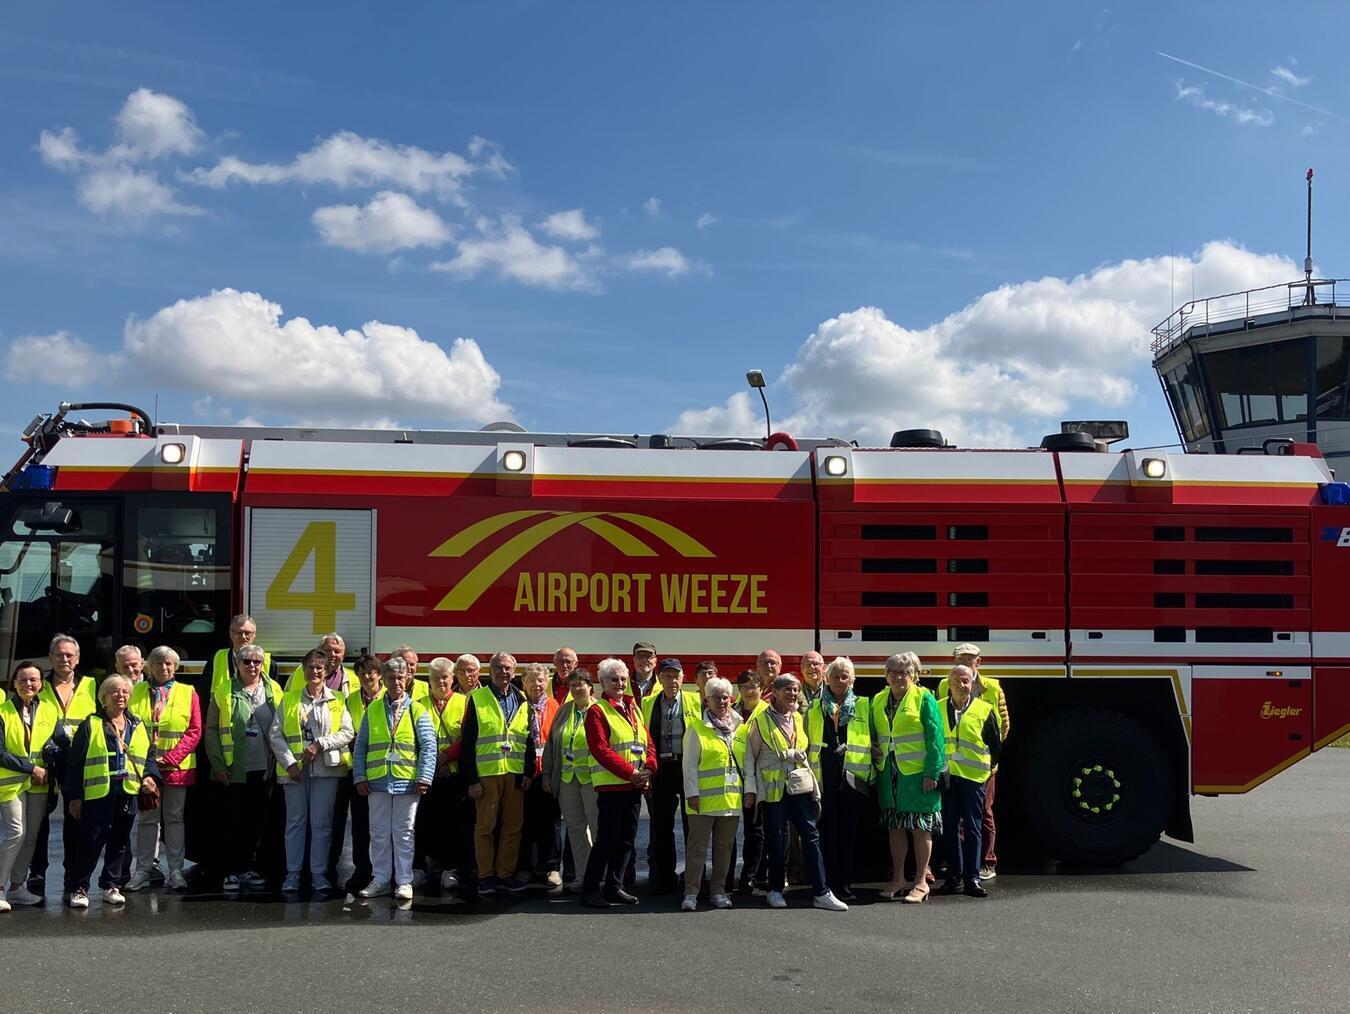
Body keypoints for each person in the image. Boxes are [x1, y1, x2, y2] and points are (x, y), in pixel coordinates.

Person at [745, 674, 848, 912]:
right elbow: (750, 758)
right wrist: (751, 790)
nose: (792, 694)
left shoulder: (799, 718)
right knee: (778, 839)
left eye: (796, 690)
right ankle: (775, 889)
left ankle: (822, 891)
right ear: (776, 692)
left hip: (799, 785)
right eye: (788, 690)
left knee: (811, 836)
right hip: (774, 788)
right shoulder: (760, 721)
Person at [63, 675, 162, 909]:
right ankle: (79, 887)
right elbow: (75, 763)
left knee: (119, 842)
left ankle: (111, 884)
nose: (120, 696)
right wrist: (74, 796)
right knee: (91, 841)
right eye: (114, 692)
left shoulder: (137, 724)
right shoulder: (92, 723)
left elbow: (148, 758)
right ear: (104, 697)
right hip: (98, 793)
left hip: (127, 792)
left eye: (125, 692)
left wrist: (149, 777)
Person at [269, 647, 354, 894]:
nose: (315, 671)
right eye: (310, 666)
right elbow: (275, 734)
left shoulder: (338, 699)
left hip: (327, 770)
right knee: (295, 823)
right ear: (303, 670)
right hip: (295, 772)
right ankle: (293, 874)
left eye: (320, 667)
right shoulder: (290, 699)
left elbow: (347, 733)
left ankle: (319, 874)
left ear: (327, 672)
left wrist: (321, 743)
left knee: (321, 824)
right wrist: (290, 763)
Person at [354, 659, 435, 901]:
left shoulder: (417, 709)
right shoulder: (374, 709)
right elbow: (361, 746)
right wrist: (360, 776)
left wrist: (424, 777)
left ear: (408, 679)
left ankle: (404, 881)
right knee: (378, 831)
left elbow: (429, 746)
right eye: (391, 678)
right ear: (384, 679)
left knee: (404, 832)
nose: (396, 682)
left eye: (400, 677)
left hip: (407, 781)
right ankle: (380, 879)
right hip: (377, 780)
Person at [204, 642, 281, 891]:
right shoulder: (224, 690)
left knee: (257, 822)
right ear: (237, 664)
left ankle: (249, 867)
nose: (252, 666)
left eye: (256, 662)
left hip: (265, 767)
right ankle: (231, 872)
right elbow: (212, 729)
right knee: (232, 822)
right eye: (246, 661)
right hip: (234, 768)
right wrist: (218, 765)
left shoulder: (274, 689)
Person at [580, 658, 654, 909]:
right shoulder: (597, 711)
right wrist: (632, 772)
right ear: (602, 683)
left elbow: (647, 741)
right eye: (614, 679)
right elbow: (600, 750)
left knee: (627, 840)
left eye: (623, 679)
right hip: (612, 786)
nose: (620, 683)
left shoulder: (633, 707)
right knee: (606, 840)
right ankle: (590, 890)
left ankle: (614, 886)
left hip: (634, 785)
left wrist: (650, 768)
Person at [126, 646, 201, 892]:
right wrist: (145, 764)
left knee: (174, 818)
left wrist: (171, 758)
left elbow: (194, 730)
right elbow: (127, 726)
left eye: (169, 663)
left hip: (176, 767)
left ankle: (176, 871)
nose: (164, 667)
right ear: (150, 666)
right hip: (145, 769)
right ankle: (143, 870)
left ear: (175, 667)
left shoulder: (188, 692)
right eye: (158, 663)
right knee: (148, 818)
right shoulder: (135, 691)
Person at [872, 651, 944, 903]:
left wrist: (932, 772)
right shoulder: (878, 699)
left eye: (904, 672)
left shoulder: (925, 699)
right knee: (895, 826)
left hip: (917, 773)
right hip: (888, 772)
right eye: (893, 672)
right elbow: (874, 732)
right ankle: (899, 879)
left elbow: (936, 739)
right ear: (886, 676)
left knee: (920, 827)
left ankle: (921, 881)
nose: (899, 677)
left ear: (914, 674)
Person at [31, 634, 98, 900]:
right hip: (46, 763)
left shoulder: (92, 684)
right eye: (59, 654)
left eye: (70, 655)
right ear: (50, 657)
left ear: (78, 658)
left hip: (79, 763)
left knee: (75, 821)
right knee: (40, 822)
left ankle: (73, 877)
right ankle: (37, 873)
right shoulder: (39, 685)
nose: (65, 659)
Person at [936, 643, 1009, 881]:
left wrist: (989, 762)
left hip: (980, 765)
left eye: (971, 658)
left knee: (982, 814)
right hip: (953, 767)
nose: (966, 662)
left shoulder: (993, 687)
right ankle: (957, 863)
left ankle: (986, 862)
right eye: (961, 658)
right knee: (952, 817)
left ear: (980, 661)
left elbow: (1002, 724)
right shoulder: (944, 685)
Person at [459, 651, 529, 897]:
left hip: (514, 774)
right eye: (498, 667)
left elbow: (527, 740)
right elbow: (467, 742)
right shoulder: (477, 698)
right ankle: (485, 876)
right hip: (487, 775)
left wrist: (527, 772)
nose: (503, 672)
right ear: (490, 670)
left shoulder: (522, 699)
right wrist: (472, 780)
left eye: (508, 668)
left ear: (514, 671)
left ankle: (504, 874)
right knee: (485, 828)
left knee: (513, 827)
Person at [805, 656, 872, 903]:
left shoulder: (865, 705)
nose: (840, 680)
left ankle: (844, 883)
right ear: (826, 678)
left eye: (845, 676)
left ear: (852, 680)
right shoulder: (814, 707)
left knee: (848, 834)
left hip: (854, 779)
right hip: (824, 778)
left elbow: (876, 735)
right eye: (835, 676)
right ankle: (826, 883)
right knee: (825, 833)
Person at [0, 662, 65, 910]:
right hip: (11, 784)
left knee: (31, 837)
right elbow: (0, 752)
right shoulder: (3, 712)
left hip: (39, 783)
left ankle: (17, 887)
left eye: (34, 680)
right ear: (14, 683)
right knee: (16, 832)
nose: (29, 684)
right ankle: (0, 887)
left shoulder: (49, 711)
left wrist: (54, 761)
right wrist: (31, 768)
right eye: (23, 680)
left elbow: (60, 742)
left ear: (41, 684)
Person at [680, 676, 742, 912]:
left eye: (725, 697)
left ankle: (718, 890)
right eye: (716, 697)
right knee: (697, 849)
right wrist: (692, 794)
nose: (722, 701)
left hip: (730, 800)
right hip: (702, 801)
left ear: (731, 699)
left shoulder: (740, 726)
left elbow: (744, 763)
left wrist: (750, 792)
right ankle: (691, 893)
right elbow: (689, 766)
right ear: (707, 701)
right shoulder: (697, 728)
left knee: (724, 849)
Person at [641, 658, 700, 894]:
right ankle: (663, 878)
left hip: (686, 767)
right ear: (659, 678)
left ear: (683, 678)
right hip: (661, 770)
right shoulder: (648, 703)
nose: (672, 680)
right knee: (661, 826)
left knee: (692, 825)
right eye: (666, 675)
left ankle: (693, 877)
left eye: (676, 675)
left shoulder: (695, 701)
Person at [542, 668, 598, 894]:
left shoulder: (599, 710)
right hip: (567, 778)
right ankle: (583, 876)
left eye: (580, 685)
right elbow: (551, 745)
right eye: (572, 685)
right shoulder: (564, 710)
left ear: (590, 686)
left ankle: (600, 877)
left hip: (593, 779)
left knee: (597, 828)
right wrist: (547, 773)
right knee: (575, 829)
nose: (576, 689)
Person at [416, 656, 469, 893]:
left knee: (454, 825)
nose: (441, 682)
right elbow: (413, 739)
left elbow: (466, 737)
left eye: (445, 677)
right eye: (436, 678)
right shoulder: (418, 704)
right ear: (429, 680)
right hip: (427, 775)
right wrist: (434, 763)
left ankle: (451, 870)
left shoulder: (464, 702)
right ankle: (423, 868)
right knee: (424, 824)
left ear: (452, 678)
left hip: (453, 773)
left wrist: (446, 757)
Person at [516, 663, 561, 887]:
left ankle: (551, 866)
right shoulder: (517, 707)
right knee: (523, 821)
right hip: (525, 773)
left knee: (551, 822)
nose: (536, 685)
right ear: (523, 684)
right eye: (531, 681)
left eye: (541, 680)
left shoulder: (556, 706)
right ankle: (523, 866)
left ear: (547, 683)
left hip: (548, 772)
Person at [343, 654, 384, 896]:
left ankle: (381, 872)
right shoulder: (349, 701)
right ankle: (361, 870)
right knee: (359, 826)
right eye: (362, 673)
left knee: (381, 826)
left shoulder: (389, 699)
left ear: (379, 675)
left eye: (371, 672)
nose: (367, 677)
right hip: (357, 769)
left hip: (381, 770)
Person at [730, 668, 768, 894]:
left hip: (760, 777)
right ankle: (729, 874)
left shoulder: (767, 712)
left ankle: (751, 875)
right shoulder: (733, 711)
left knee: (755, 829)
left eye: (753, 686)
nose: (749, 691)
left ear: (761, 689)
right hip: (736, 776)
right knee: (733, 828)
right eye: (744, 687)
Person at [204, 615, 277, 699]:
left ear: (254, 635)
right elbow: (204, 694)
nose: (243, 637)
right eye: (239, 633)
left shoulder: (268, 662)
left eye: (247, 633)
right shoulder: (216, 659)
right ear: (231, 634)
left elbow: (276, 696)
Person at [285, 633, 358, 696]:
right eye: (328, 650)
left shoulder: (354, 678)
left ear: (344, 655)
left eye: (337, 651)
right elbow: (286, 698)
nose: (332, 654)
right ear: (319, 651)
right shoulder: (300, 671)